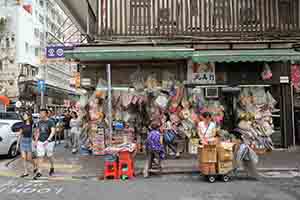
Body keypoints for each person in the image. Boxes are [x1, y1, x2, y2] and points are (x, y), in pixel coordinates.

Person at [33, 109, 56, 180]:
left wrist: (48, 140)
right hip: (40, 141)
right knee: (40, 156)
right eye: (40, 113)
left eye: (42, 113)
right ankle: (39, 172)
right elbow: (38, 131)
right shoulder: (39, 122)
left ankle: (52, 167)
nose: (40, 114)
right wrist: (36, 141)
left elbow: (53, 131)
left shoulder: (50, 122)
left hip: (49, 142)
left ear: (46, 114)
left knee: (49, 155)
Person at [16, 112, 37, 178]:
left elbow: (34, 133)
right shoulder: (22, 124)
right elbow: (20, 134)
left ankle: (34, 165)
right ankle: (26, 172)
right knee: (23, 158)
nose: (24, 116)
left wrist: (35, 141)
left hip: (29, 142)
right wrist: (17, 144)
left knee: (29, 158)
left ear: (29, 116)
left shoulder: (32, 125)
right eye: (24, 116)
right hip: (23, 141)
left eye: (25, 115)